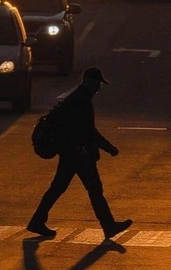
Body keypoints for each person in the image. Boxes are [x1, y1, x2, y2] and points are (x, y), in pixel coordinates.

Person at [26, 66, 132, 240]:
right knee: (94, 189)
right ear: (88, 82)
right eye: (98, 84)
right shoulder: (81, 101)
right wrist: (109, 148)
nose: (99, 88)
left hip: (71, 152)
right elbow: (89, 131)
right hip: (78, 154)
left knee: (59, 188)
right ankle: (108, 225)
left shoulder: (77, 98)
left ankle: (37, 221)